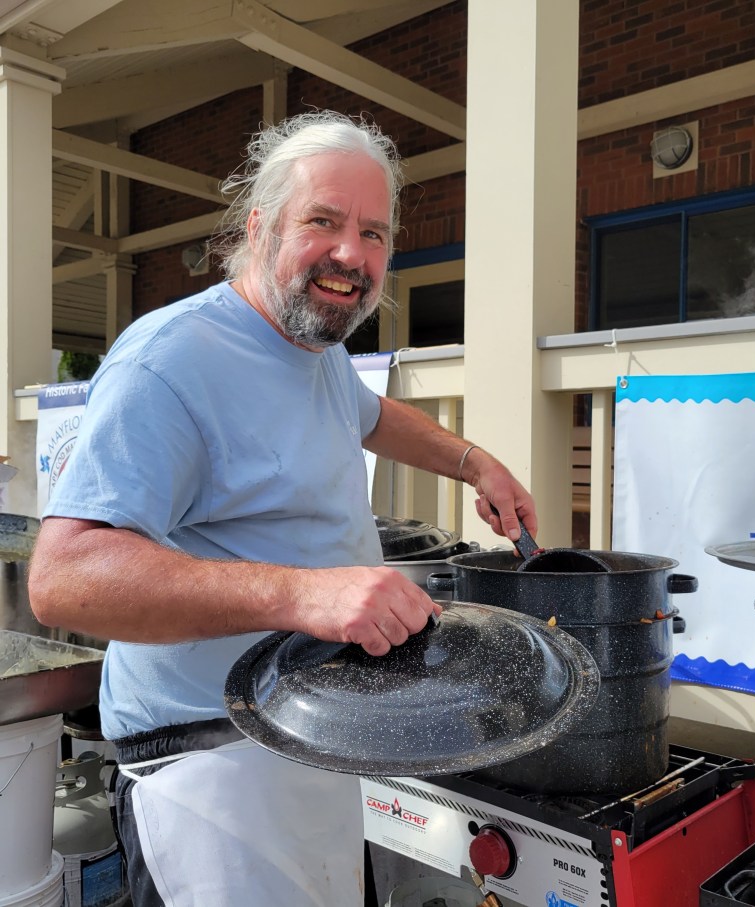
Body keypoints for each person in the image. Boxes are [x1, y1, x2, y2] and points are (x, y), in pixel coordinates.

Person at [28, 110, 537, 907]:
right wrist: (311, 593)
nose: (351, 254)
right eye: (324, 222)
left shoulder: (315, 350)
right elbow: (66, 580)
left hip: (308, 737)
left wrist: (476, 463)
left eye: (374, 233)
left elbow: (372, 415)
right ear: (260, 226)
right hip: (205, 766)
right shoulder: (170, 361)